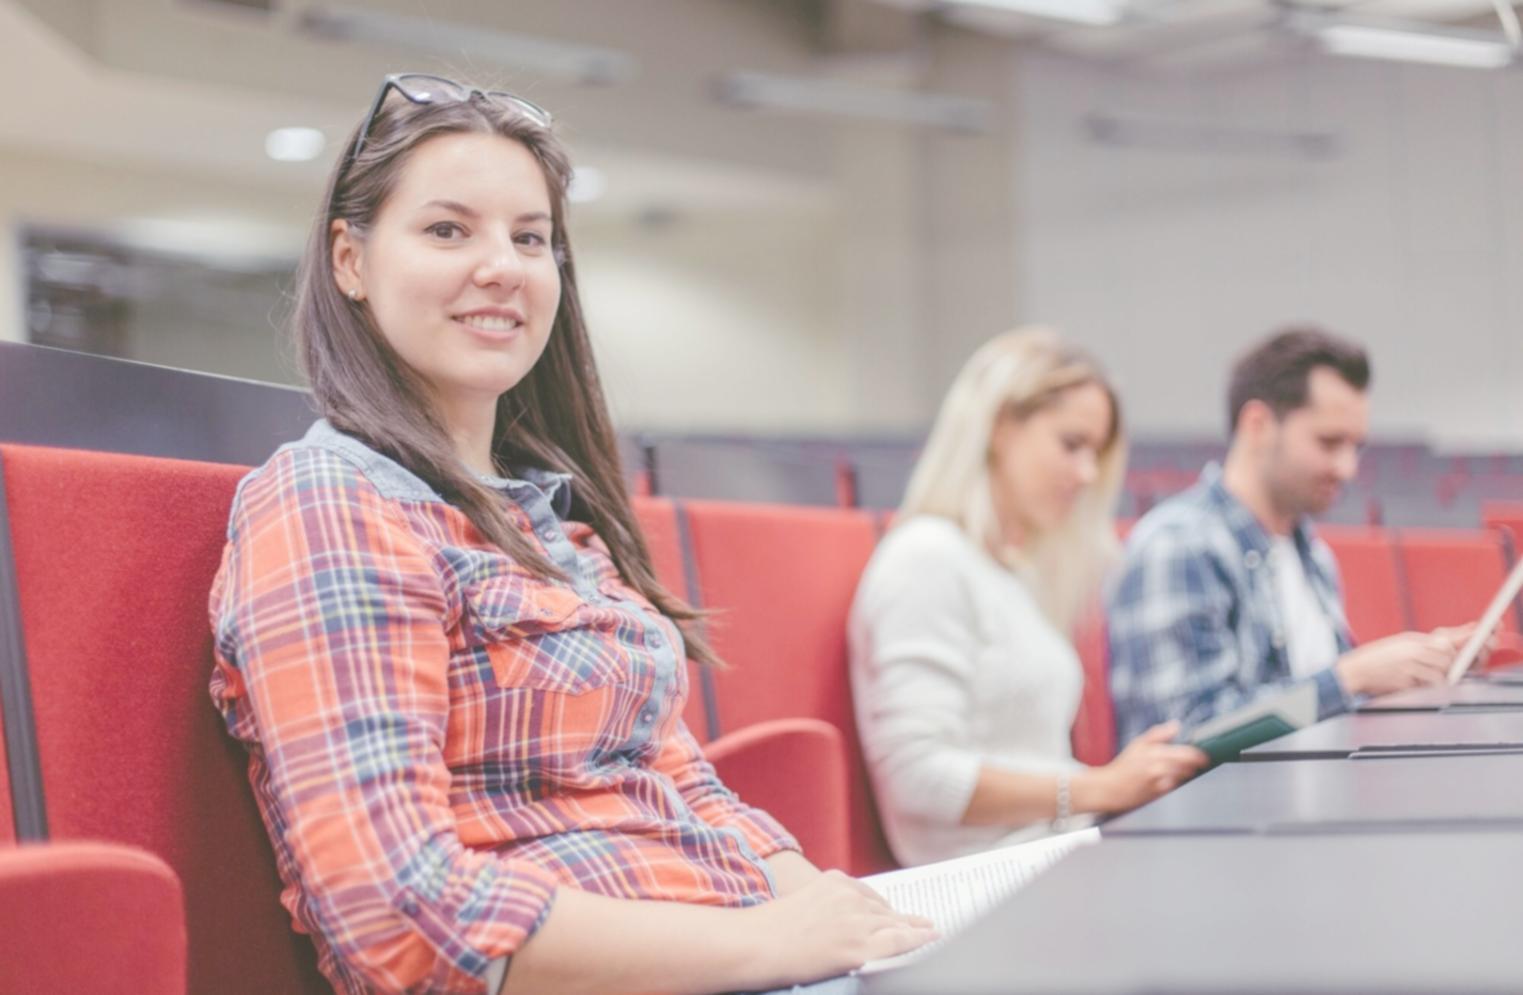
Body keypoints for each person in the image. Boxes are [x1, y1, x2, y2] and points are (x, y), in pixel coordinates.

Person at [208, 73, 932, 995]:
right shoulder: (331, 503)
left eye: (530, 237)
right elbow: (394, 910)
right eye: (446, 229)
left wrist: (849, 922)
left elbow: (681, 788)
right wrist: (772, 945)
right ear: (349, 260)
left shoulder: (548, 527)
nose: (502, 266)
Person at [847, 329, 1207, 868]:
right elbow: (916, 776)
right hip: (991, 884)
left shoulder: (1007, 570)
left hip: (1055, 857)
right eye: (1071, 444)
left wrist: (1120, 785)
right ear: (999, 428)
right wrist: (1102, 788)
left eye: (1096, 453)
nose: (1087, 474)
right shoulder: (927, 559)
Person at [1107, 327, 1474, 748]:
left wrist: (1415, 667)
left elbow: (1310, 709)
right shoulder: (1179, 545)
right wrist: (1351, 676)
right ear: (1258, 425)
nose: (1347, 468)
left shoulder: (1311, 554)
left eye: (1355, 446)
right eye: (1328, 442)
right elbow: (1182, 741)